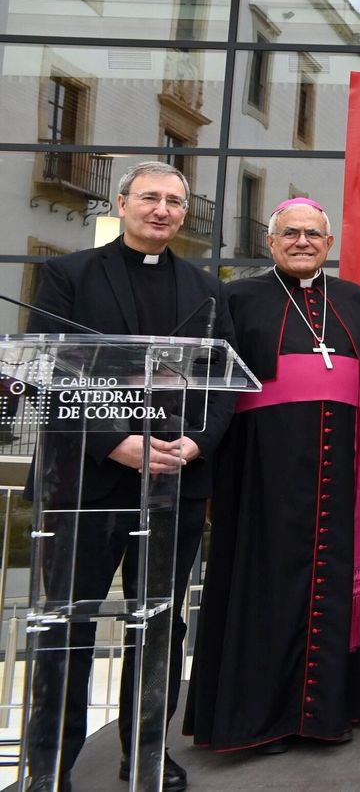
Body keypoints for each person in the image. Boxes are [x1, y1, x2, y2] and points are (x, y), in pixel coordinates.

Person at [24, 160, 234, 792]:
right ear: (122, 203)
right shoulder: (67, 276)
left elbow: (223, 385)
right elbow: (46, 373)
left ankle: (144, 752)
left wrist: (195, 444)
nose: (163, 210)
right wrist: (117, 444)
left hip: (175, 485)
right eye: (150, 198)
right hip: (86, 484)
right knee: (68, 625)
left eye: (175, 201)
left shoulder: (207, 289)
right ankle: (48, 766)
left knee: (160, 626)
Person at [185, 198, 360, 753]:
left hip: (338, 483)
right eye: (291, 234)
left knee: (329, 589)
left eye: (314, 235)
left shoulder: (355, 301)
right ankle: (263, 721)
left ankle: (325, 716)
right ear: (271, 242)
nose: (303, 242)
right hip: (261, 483)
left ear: (329, 244)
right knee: (264, 593)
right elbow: (212, 392)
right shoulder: (237, 298)